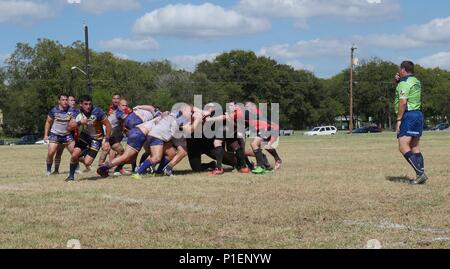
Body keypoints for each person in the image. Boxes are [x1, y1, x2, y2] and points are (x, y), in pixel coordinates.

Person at [394, 60, 427, 184]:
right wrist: (398, 81)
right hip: (418, 114)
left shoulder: (404, 83)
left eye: (399, 70)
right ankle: (420, 175)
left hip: (408, 115)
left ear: (403, 69)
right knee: (414, 146)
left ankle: (420, 174)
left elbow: (403, 102)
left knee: (403, 146)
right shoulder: (416, 81)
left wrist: (399, 119)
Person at [66, 95, 111, 181]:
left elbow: (108, 124)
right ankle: (71, 177)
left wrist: (107, 140)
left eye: (90, 104)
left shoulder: (97, 111)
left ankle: (104, 168)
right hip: (84, 136)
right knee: (74, 154)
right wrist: (80, 122)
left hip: (96, 139)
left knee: (87, 162)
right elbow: (69, 127)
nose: (88, 106)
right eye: (86, 104)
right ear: (81, 104)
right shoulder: (75, 112)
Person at [43, 94, 78, 176]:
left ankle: (75, 169)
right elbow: (48, 122)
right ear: (59, 101)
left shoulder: (71, 110)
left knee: (75, 153)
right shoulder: (54, 110)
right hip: (55, 134)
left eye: (66, 100)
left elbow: (74, 122)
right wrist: (45, 135)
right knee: (51, 152)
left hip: (67, 135)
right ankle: (48, 170)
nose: (65, 101)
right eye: (63, 100)